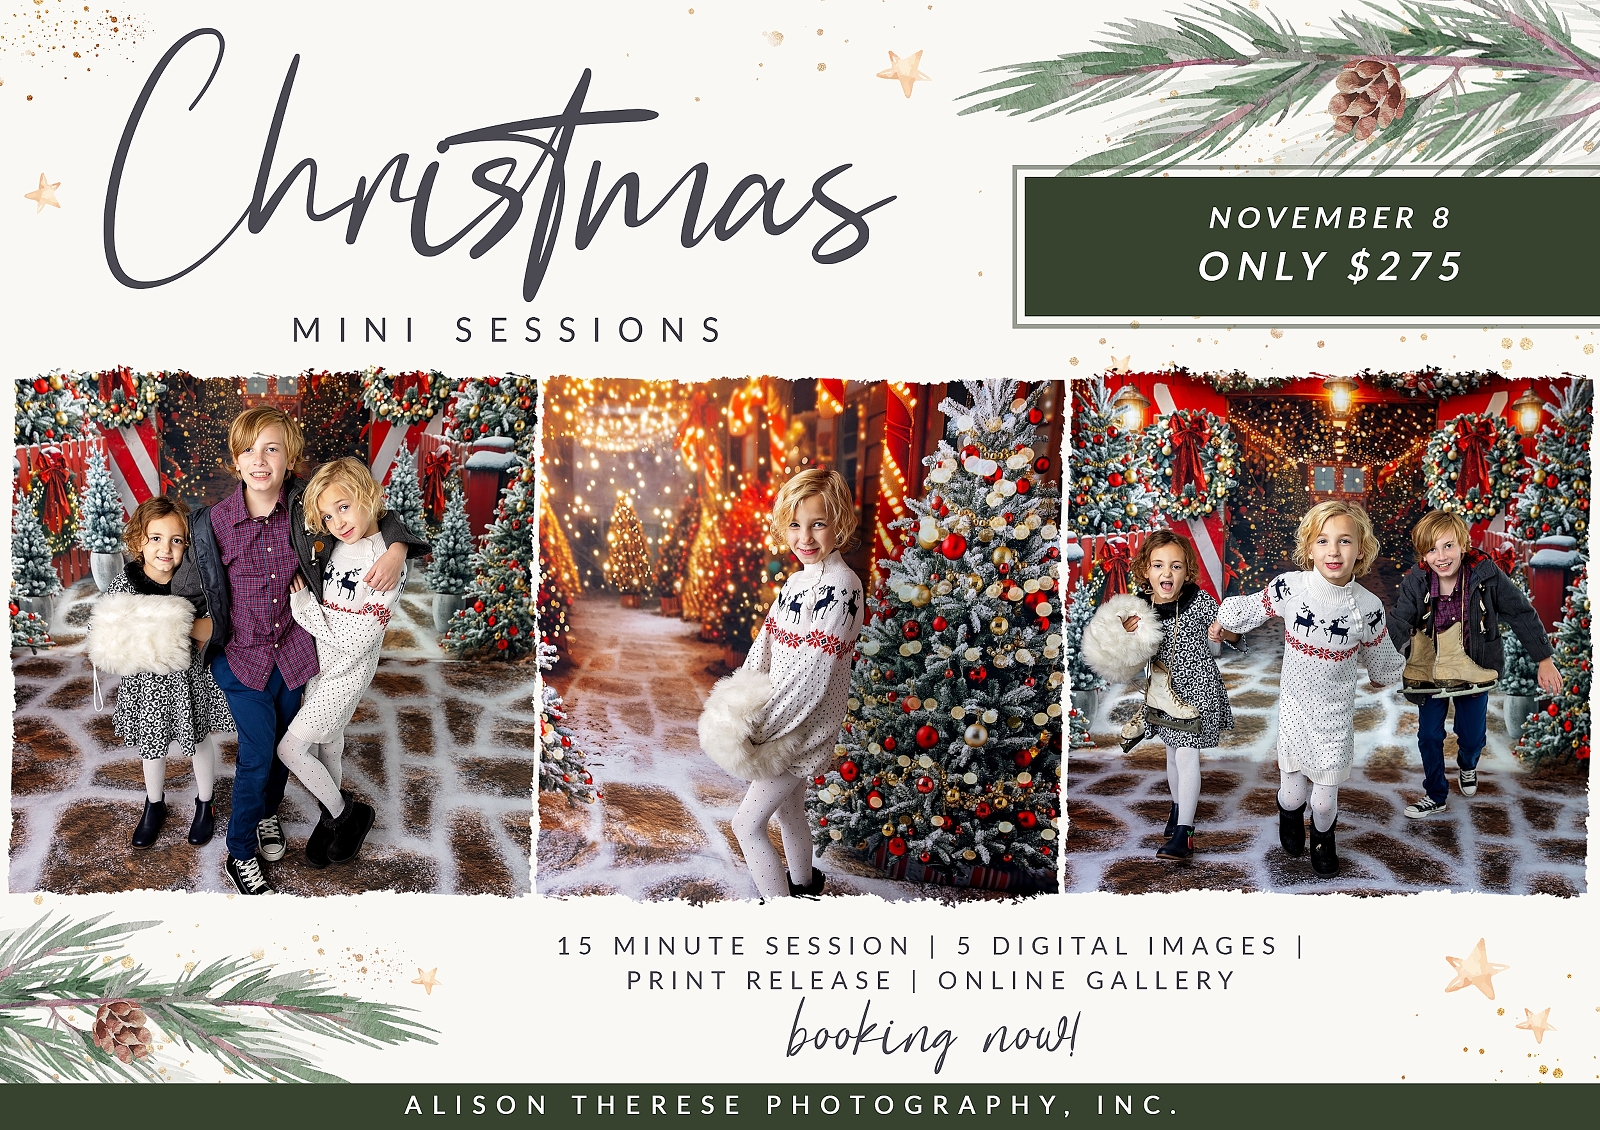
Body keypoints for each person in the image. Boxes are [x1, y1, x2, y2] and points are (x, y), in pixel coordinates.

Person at [188, 408, 429, 895]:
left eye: (272, 449)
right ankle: (239, 851)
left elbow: (369, 511)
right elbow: (189, 583)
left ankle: (266, 814)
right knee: (259, 751)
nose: (260, 460)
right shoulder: (213, 523)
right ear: (235, 460)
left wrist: (398, 547)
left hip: (299, 653)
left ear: (290, 458)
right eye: (249, 450)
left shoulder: (303, 507)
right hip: (245, 657)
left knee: (283, 748)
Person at [1213, 501, 1404, 878]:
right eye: (1323, 541)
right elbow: (1250, 609)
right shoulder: (1291, 588)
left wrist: (1389, 673)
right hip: (1297, 711)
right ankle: (1287, 812)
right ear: (1310, 548)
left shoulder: (1368, 607)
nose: (1333, 551)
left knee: (1323, 797)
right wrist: (1224, 620)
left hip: (1335, 717)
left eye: (1344, 541)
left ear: (1361, 550)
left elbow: (1381, 657)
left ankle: (1322, 836)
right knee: (1295, 794)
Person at [697, 468, 864, 900]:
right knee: (790, 814)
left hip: (799, 731)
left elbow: (812, 679)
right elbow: (764, 647)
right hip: (779, 719)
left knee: (745, 824)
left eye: (818, 524)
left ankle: (780, 912)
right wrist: (738, 703)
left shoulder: (842, 587)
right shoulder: (795, 582)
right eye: (795, 524)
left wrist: (764, 728)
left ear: (839, 523)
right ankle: (806, 890)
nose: (804, 537)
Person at [1391, 511, 1560, 819]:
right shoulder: (1416, 581)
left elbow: (1520, 612)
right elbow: (1400, 621)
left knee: (1471, 736)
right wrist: (1411, 654)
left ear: (1463, 545)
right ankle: (1435, 793)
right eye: (1431, 550)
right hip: (1432, 672)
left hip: (1474, 667)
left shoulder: (1485, 575)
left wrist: (1544, 659)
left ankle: (1468, 765)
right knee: (1429, 735)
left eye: (1448, 546)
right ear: (1422, 554)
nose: (1440, 557)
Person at [279, 457, 404, 867]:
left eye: (344, 507)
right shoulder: (337, 545)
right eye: (328, 516)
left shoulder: (385, 562)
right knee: (329, 742)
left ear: (366, 495)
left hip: (347, 671)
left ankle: (348, 815)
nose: (337, 521)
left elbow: (356, 640)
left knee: (292, 750)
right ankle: (329, 821)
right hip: (322, 662)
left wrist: (304, 608)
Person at [1081, 530, 1234, 860]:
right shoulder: (1140, 609)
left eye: (1176, 566)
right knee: (1171, 752)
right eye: (1159, 565)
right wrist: (1125, 635)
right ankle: (1178, 810)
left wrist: (1224, 631)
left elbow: (1230, 632)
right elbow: (1122, 657)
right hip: (1162, 693)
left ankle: (1185, 834)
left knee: (1186, 754)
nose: (1168, 573)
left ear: (1187, 571)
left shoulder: (1199, 600)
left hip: (1197, 690)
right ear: (1146, 571)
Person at [92, 496, 233, 849]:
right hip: (145, 684)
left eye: (176, 540)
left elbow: (212, 627)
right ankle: (154, 803)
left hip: (189, 681)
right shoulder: (125, 584)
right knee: (152, 746)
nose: (165, 549)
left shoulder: (193, 584)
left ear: (187, 544)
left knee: (198, 739)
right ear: (140, 541)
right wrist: (169, 625)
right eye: (156, 538)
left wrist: (174, 624)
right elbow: (114, 630)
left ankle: (206, 802)